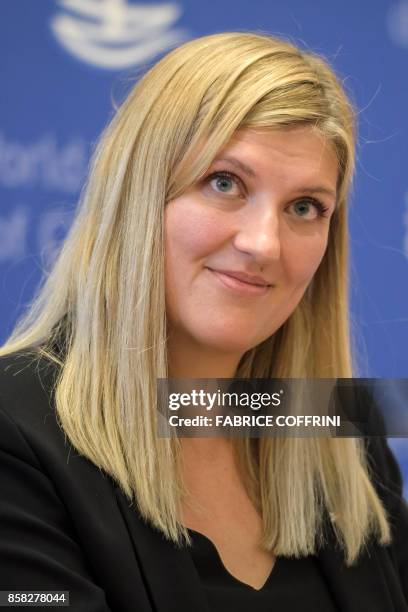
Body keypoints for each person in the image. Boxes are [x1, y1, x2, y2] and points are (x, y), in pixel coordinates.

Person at [0, 31, 407, 612]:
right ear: (140, 194)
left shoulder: (335, 430)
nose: (264, 244)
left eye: (303, 207)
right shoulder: (14, 435)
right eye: (225, 183)